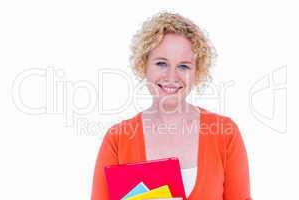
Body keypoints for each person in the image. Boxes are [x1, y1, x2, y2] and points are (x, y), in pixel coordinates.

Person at [91, 11, 252, 200]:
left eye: (183, 66)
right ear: (144, 65)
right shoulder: (117, 139)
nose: (171, 77)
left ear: (197, 71)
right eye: (161, 63)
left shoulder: (225, 133)